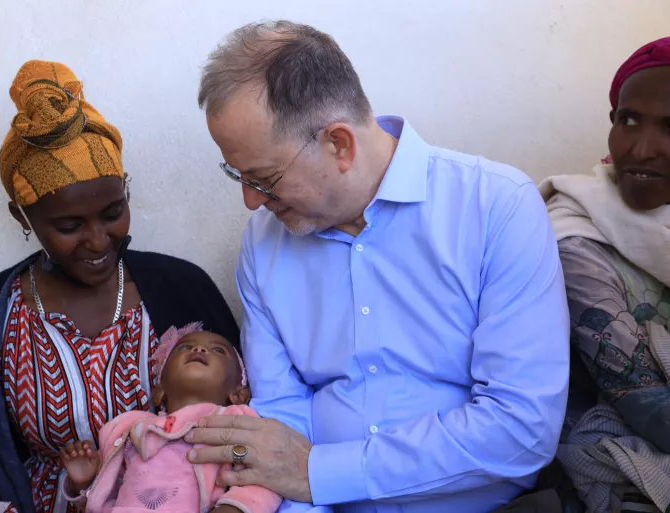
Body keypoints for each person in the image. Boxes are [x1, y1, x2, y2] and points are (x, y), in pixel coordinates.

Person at [186, 20, 570, 513]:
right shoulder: (264, 245)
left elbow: (521, 430)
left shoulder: (496, 207)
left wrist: (322, 473)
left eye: (263, 178)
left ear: (339, 144)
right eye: (237, 176)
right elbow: (280, 423)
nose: (249, 202)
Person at [0, 60, 239, 513]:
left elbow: (246, 415)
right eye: (68, 225)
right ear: (22, 217)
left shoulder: (182, 291)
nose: (98, 241)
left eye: (113, 211)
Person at [541, 37, 670, 513]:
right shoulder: (576, 240)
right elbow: (651, 411)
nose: (640, 149)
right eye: (628, 120)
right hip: (613, 465)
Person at [59, 323, 281, 513]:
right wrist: (85, 482)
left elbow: (266, 475)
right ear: (159, 391)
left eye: (218, 351)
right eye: (184, 347)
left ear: (238, 394)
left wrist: (233, 507)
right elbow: (106, 494)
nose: (199, 348)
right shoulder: (132, 427)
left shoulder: (235, 420)